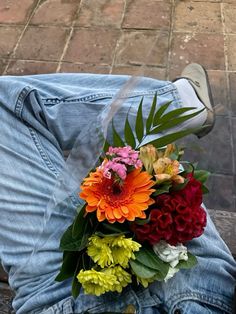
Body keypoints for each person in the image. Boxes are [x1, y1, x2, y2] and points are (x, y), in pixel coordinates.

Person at [0, 63, 235, 314]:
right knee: (147, 160)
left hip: (65, 294)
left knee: (6, 104)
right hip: (197, 290)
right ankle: (179, 106)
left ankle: (179, 105)